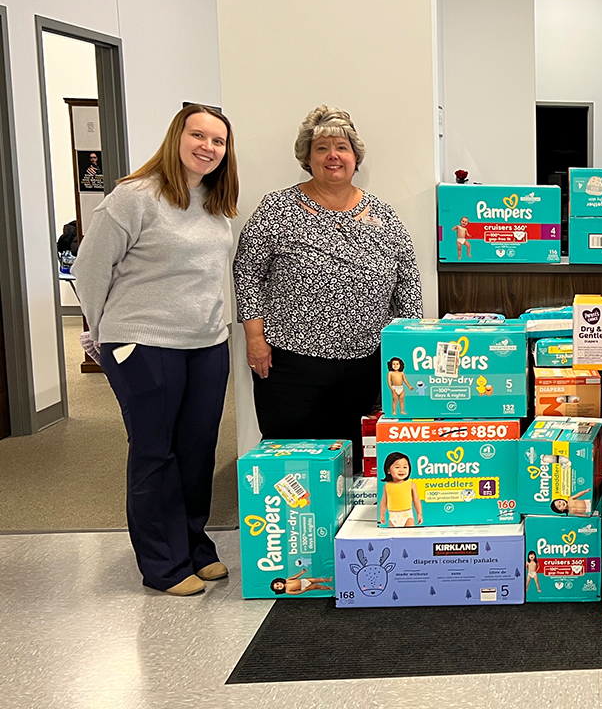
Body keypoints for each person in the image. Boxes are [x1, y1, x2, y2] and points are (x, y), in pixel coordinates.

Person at [72, 104, 239, 597]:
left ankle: (193, 547)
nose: (208, 147)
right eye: (199, 135)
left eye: (219, 141)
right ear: (176, 137)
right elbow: (89, 269)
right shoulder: (133, 197)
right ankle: (163, 565)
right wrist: (103, 333)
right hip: (143, 343)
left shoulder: (214, 201)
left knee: (196, 451)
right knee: (154, 452)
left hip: (206, 343)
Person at [233, 106, 422, 444]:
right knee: (294, 455)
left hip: (366, 362)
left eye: (342, 148)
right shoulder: (276, 208)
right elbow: (248, 271)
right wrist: (254, 338)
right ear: (307, 156)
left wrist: (408, 346)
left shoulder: (384, 214)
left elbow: (407, 279)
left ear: (355, 157)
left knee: (356, 455)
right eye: (322, 148)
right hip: (291, 362)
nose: (333, 156)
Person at [380, 451, 423, 527]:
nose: (401, 470)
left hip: (407, 515)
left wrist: (419, 514)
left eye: (405, 467)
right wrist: (382, 514)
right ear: (388, 470)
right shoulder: (387, 485)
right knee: (393, 535)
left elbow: (416, 500)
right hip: (393, 516)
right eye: (397, 467)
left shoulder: (411, 484)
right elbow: (384, 501)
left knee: (409, 534)